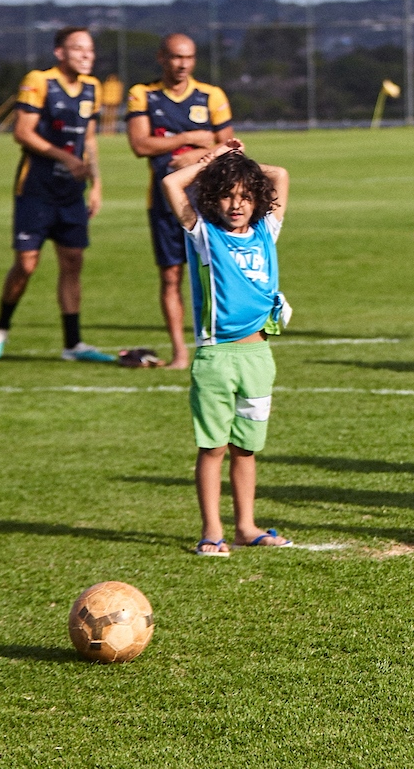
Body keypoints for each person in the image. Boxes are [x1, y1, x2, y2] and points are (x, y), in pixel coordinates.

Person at [161, 139, 293, 556]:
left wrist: (242, 166)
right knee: (213, 447)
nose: (236, 205)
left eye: (245, 197)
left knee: (245, 447)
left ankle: (246, 525)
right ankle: (212, 531)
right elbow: (171, 183)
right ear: (212, 198)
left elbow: (281, 176)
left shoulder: (266, 231)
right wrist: (215, 160)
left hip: (258, 358)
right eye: (227, 196)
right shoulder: (204, 234)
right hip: (216, 357)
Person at [0, 26, 114, 363]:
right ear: (60, 52)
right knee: (26, 265)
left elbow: (90, 139)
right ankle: (0, 327)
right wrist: (65, 157)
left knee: (73, 263)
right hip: (36, 190)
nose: (87, 55)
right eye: (79, 49)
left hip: (71, 194)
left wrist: (96, 183)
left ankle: (73, 344)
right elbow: (22, 133)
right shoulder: (39, 81)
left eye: (91, 50)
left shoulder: (92, 88)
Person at [126, 33, 234, 370]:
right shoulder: (143, 95)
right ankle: (180, 354)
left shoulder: (211, 96)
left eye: (188, 57)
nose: (182, 64)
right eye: (175, 57)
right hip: (163, 202)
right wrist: (188, 139)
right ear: (161, 57)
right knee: (171, 276)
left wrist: (196, 158)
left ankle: (221, 348)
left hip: (209, 201)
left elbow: (231, 147)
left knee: (219, 275)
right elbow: (140, 145)